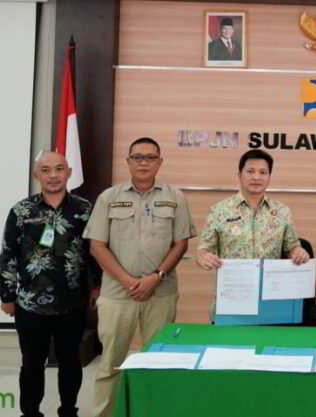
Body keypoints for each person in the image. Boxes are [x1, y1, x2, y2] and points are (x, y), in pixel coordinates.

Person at [84, 137, 195, 417]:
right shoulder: (108, 197)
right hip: (117, 295)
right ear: (128, 162)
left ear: (160, 162)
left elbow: (181, 243)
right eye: (137, 157)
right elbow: (97, 246)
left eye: (150, 157)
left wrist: (156, 277)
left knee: (159, 362)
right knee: (110, 364)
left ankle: (154, 412)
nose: (143, 162)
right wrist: (128, 281)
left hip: (161, 292)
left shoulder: (175, 197)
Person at [0, 152, 99, 417]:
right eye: (45, 170)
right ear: (36, 176)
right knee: (32, 364)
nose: (53, 175)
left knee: (70, 362)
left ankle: (68, 410)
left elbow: (95, 252)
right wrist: (7, 295)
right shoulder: (21, 211)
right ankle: (30, 412)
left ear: (69, 172)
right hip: (30, 304)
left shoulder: (85, 210)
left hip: (72, 301)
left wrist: (97, 286)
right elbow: (8, 255)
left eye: (59, 169)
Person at [196, 150, 310, 319]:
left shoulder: (282, 211)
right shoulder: (219, 210)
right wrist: (202, 256)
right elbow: (203, 249)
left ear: (269, 177)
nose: (256, 177)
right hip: (231, 300)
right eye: (250, 171)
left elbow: (291, 246)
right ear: (239, 175)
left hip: (271, 301)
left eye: (263, 172)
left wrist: (298, 252)